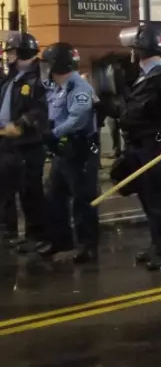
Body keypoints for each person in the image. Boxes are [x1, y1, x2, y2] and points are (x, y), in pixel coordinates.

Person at [113, 25, 161, 271]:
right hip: (137, 146)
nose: (131, 54)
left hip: (153, 147)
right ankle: (157, 246)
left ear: (140, 51)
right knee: (149, 202)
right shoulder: (143, 77)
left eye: (133, 50)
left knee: (158, 203)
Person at [38, 42, 100, 263]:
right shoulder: (55, 87)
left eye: (47, 63)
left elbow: (78, 119)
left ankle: (87, 246)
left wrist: (53, 133)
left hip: (80, 151)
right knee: (54, 197)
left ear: (57, 64)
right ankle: (60, 241)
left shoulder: (79, 88)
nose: (44, 67)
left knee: (83, 201)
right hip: (62, 153)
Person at [0, 31, 48, 253]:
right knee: (7, 187)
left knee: (30, 191)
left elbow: (42, 108)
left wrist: (21, 124)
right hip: (6, 142)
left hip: (28, 143)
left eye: (10, 51)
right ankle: (9, 230)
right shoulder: (11, 77)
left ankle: (37, 234)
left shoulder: (39, 78)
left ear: (21, 52)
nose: (7, 55)